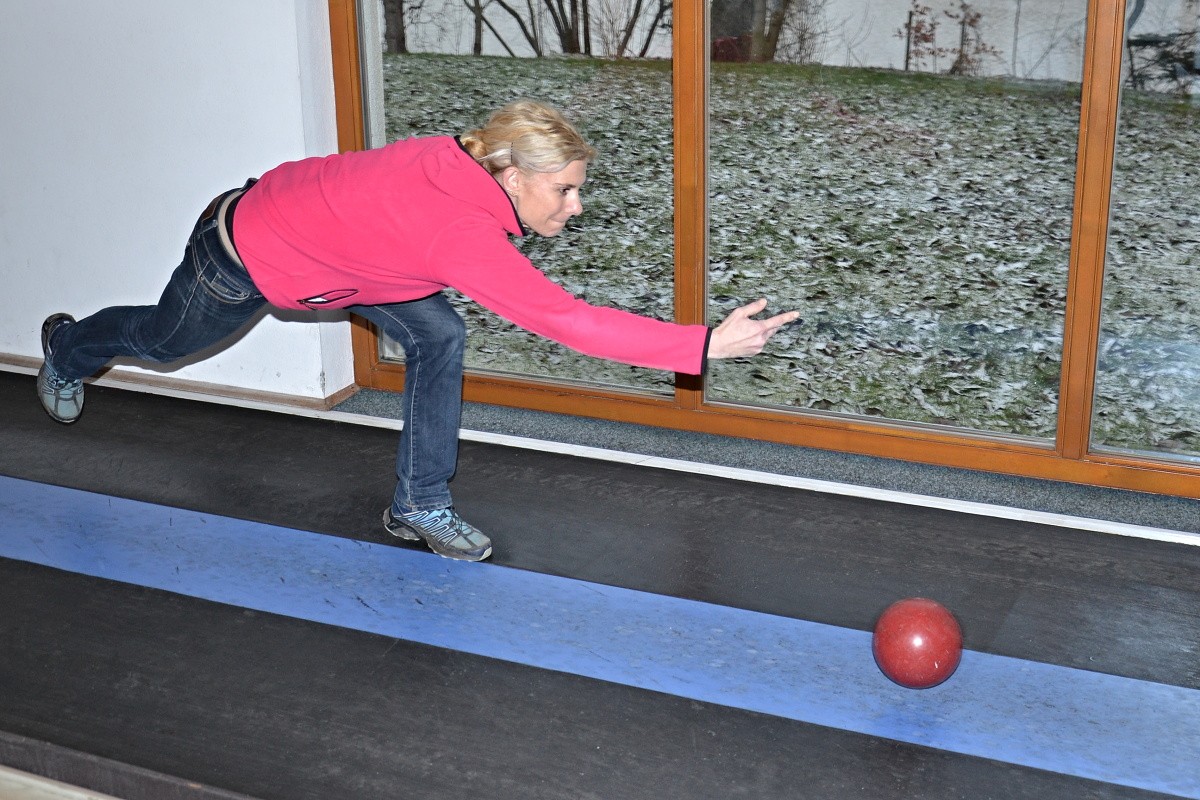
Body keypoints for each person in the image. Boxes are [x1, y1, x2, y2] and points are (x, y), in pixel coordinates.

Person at [36, 99, 799, 563]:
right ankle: (68, 348)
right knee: (163, 343)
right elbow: (566, 320)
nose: (575, 206)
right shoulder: (460, 235)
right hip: (243, 257)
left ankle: (418, 503)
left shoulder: (460, 156)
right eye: (564, 190)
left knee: (439, 336)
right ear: (512, 176)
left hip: (351, 260)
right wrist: (702, 346)